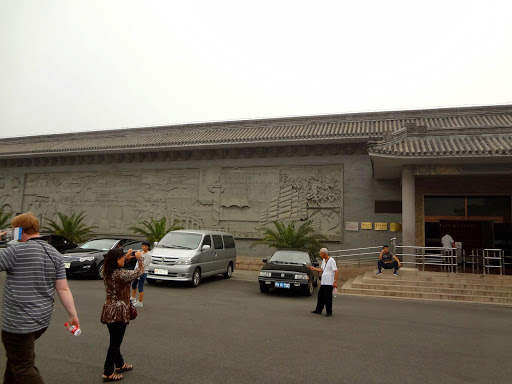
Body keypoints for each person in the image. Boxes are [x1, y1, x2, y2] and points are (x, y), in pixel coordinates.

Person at [0, 212, 80, 384]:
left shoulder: (15, 251)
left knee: (22, 366)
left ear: (19, 231)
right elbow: (63, 288)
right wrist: (73, 315)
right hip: (41, 321)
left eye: (14, 230)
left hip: (18, 323)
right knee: (16, 359)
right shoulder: (55, 254)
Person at [101, 247, 144, 382]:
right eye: (121, 258)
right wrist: (140, 259)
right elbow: (139, 272)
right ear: (115, 261)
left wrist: (126, 257)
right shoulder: (120, 275)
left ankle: (119, 364)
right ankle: (108, 372)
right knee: (115, 343)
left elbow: (118, 265)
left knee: (114, 340)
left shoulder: (106, 271)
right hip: (119, 312)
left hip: (109, 310)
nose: (123, 260)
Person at [309, 248, 338, 317]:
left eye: (320, 253)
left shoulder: (331, 260)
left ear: (324, 253)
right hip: (323, 282)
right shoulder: (324, 260)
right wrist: (314, 268)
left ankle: (329, 312)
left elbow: (336, 271)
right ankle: (319, 310)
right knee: (320, 296)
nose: (320, 255)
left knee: (328, 297)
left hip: (329, 282)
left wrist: (335, 281)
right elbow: (322, 269)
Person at [130, 241, 151, 307]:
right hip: (137, 271)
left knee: (140, 286)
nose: (144, 247)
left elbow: (144, 264)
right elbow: (137, 262)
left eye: (145, 246)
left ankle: (140, 302)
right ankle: (133, 298)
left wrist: (139, 262)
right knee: (133, 284)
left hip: (143, 272)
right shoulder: (141, 253)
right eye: (143, 246)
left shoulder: (148, 255)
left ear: (148, 247)